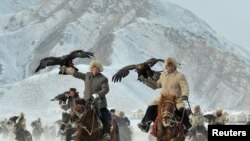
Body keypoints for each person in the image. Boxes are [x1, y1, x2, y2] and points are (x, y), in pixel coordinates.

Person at [138, 57, 192, 133]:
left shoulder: (180, 76)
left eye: (172, 66)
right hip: (163, 98)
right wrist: (146, 81)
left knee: (181, 110)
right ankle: (145, 124)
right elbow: (157, 85)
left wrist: (185, 95)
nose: (170, 67)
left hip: (176, 99)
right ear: (166, 66)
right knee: (151, 106)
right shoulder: (163, 75)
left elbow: (185, 87)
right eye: (168, 66)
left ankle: (187, 126)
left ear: (175, 66)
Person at [61, 60, 111, 141]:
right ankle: (75, 131)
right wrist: (68, 71)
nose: (94, 70)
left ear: (99, 69)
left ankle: (106, 133)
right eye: (93, 68)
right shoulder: (88, 75)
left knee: (105, 117)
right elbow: (78, 74)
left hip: (99, 104)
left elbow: (106, 89)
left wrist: (97, 94)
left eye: (96, 69)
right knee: (77, 114)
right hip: (87, 102)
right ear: (91, 69)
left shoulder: (103, 79)